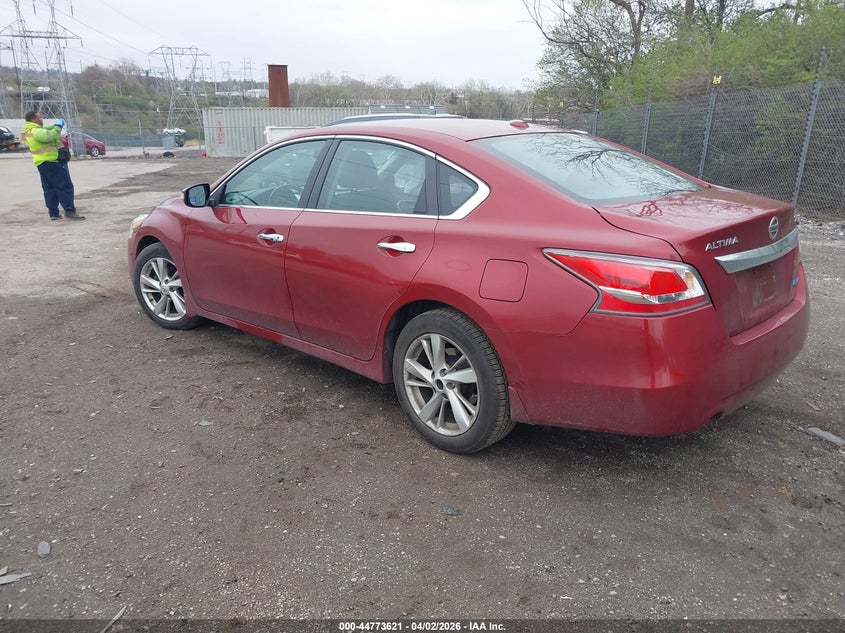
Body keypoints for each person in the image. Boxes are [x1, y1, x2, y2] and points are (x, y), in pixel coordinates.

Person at [23, 111, 85, 221]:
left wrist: (55, 126)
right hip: (52, 161)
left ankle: (53, 213)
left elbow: (46, 130)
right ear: (33, 119)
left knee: (49, 188)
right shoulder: (37, 131)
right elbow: (49, 136)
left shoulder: (29, 131)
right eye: (39, 117)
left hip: (42, 162)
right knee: (64, 186)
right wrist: (59, 126)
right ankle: (69, 210)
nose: (41, 119)